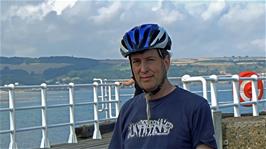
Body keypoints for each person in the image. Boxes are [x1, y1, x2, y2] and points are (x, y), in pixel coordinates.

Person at [109, 24, 217, 149]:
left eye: (150, 60)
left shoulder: (195, 107)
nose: (143, 69)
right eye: (136, 61)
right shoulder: (127, 110)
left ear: (166, 62)